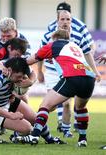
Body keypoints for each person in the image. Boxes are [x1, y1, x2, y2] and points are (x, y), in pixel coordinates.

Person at [16, 29, 101, 147]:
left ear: (54, 38)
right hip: (89, 78)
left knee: (45, 105)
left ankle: (34, 135)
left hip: (72, 77)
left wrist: (14, 62)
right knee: (80, 108)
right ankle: (82, 139)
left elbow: (30, 60)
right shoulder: (75, 46)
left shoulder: (53, 45)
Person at [38, 2, 95, 137]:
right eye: (61, 18)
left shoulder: (80, 30)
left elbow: (89, 50)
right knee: (50, 105)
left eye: (67, 18)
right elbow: (39, 55)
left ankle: (65, 130)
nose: (64, 21)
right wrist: (39, 71)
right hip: (52, 71)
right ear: (57, 18)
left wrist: (94, 71)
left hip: (70, 72)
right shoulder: (49, 33)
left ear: (71, 17)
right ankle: (36, 123)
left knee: (67, 104)